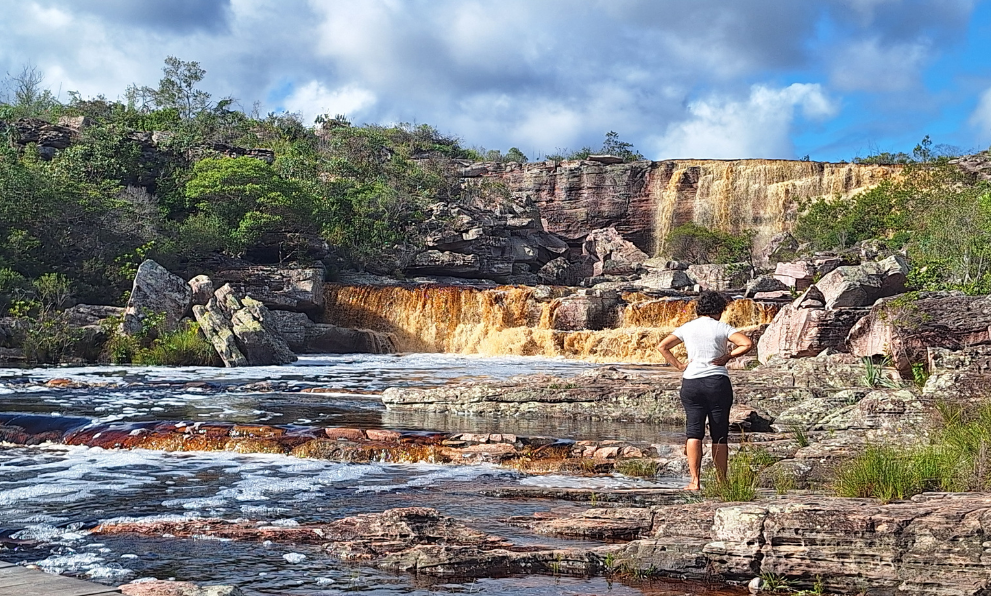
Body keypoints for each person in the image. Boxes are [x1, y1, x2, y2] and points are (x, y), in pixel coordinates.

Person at [656, 291, 753, 491]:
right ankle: (722, 482)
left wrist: (679, 365)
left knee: (694, 432)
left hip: (691, 382)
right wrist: (727, 357)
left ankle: (694, 481)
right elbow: (747, 343)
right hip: (717, 382)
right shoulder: (722, 327)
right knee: (719, 434)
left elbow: (662, 347)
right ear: (719, 310)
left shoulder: (687, 328)